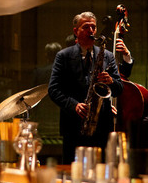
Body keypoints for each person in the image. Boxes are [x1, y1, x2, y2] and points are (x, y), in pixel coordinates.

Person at [48, 11, 123, 164]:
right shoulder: (63, 56)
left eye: (93, 27)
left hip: (102, 127)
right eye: (86, 27)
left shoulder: (107, 56)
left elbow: (119, 89)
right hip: (73, 126)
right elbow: (53, 89)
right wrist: (74, 105)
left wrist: (110, 81)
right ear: (76, 31)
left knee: (102, 170)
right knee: (72, 171)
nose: (91, 31)